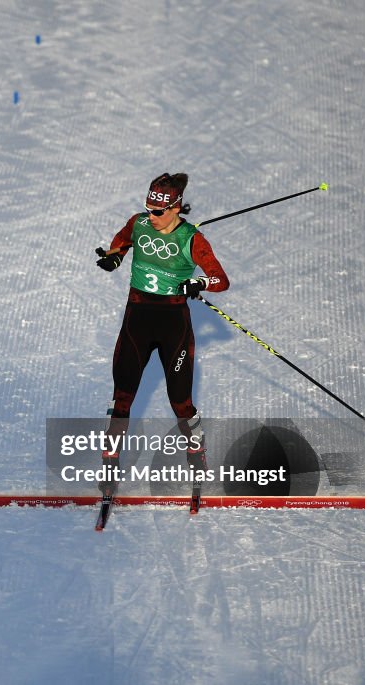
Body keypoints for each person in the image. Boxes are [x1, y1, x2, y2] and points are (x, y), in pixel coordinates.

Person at [94, 172, 229, 494]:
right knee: (122, 397)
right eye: (148, 208)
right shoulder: (139, 223)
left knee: (180, 402)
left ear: (176, 208)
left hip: (173, 325)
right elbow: (122, 240)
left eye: (158, 211)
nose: (151, 216)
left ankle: (197, 460)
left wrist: (198, 282)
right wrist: (114, 258)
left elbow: (220, 280)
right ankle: (109, 469)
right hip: (136, 320)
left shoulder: (191, 239)